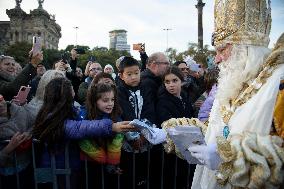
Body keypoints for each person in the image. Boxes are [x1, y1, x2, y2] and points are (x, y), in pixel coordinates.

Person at [188, 1, 284, 188]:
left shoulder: (279, 83)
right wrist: (173, 133)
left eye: (222, 49)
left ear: (247, 48)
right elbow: (216, 127)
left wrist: (232, 158)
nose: (217, 59)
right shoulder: (233, 83)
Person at [33, 78, 134, 189]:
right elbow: (79, 127)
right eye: (70, 89)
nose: (73, 90)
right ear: (64, 95)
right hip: (56, 169)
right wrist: (112, 126)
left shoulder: (66, 110)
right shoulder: (53, 118)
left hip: (68, 168)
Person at [78, 83, 126, 188]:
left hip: (109, 164)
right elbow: (83, 140)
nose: (110, 104)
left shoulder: (116, 114)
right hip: (89, 163)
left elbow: (118, 139)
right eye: (105, 100)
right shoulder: (85, 114)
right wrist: (102, 158)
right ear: (95, 101)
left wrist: (112, 161)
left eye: (112, 100)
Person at [116, 56, 151, 189]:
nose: (134, 77)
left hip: (146, 140)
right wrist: (134, 137)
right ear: (121, 75)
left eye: (136, 73)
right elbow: (125, 113)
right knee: (129, 175)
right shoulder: (119, 91)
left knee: (144, 175)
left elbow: (149, 110)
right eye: (129, 74)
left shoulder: (146, 89)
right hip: (128, 143)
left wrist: (145, 134)